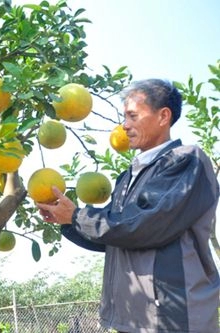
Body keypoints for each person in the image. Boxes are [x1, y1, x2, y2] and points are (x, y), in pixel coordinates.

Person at [37, 79, 220, 333]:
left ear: (163, 116)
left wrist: (78, 216)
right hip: (132, 319)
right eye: (124, 117)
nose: (125, 125)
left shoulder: (186, 160)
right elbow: (115, 237)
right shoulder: (128, 177)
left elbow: (145, 226)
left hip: (173, 318)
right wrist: (67, 220)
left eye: (133, 116)